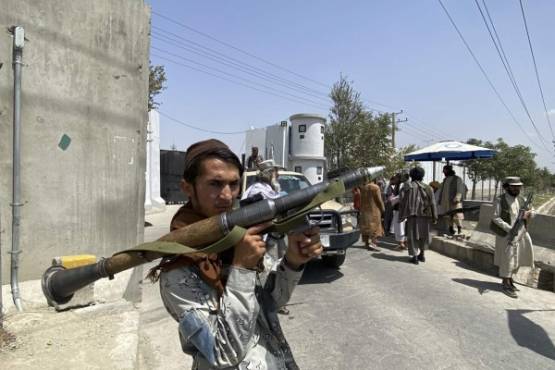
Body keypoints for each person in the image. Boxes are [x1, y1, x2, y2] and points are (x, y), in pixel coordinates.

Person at [153, 139, 322, 369]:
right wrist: (241, 268)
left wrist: (293, 261)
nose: (226, 195)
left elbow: (270, 302)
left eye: (233, 184)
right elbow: (223, 352)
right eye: (215, 184)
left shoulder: (236, 237)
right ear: (187, 188)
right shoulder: (178, 267)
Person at [490, 177, 535, 299]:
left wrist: (528, 214)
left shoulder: (522, 199)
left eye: (518, 186)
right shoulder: (500, 200)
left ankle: (510, 280)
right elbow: (495, 218)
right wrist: (510, 229)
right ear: (507, 187)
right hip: (506, 234)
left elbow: (532, 211)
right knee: (507, 259)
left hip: (521, 233)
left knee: (518, 257)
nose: (516, 189)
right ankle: (505, 283)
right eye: (514, 186)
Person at [399, 167, 438, 264]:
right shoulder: (428, 188)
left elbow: (402, 200)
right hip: (425, 215)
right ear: (422, 175)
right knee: (424, 235)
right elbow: (433, 203)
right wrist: (435, 216)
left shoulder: (407, 187)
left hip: (412, 216)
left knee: (412, 236)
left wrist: (402, 215)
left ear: (411, 175)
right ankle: (422, 254)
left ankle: (415, 256)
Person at [437, 165, 465, 235]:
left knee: (457, 215)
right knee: (448, 216)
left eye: (444, 170)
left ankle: (459, 229)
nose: (443, 172)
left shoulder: (457, 179)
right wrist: (440, 199)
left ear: (448, 170)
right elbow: (442, 190)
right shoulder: (445, 180)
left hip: (454, 201)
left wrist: (457, 198)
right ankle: (451, 229)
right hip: (446, 201)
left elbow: (460, 190)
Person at [359, 179, 385, 251]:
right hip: (374, 210)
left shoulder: (363, 188)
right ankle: (373, 243)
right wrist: (382, 209)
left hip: (365, 211)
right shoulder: (375, 187)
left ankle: (367, 243)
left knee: (366, 227)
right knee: (375, 227)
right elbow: (379, 200)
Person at [389, 173, 408, 251]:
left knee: (400, 226)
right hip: (401, 209)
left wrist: (392, 199)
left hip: (400, 209)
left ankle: (401, 244)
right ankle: (403, 243)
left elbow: (401, 196)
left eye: (396, 178)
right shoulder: (399, 185)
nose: (395, 179)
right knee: (401, 226)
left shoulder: (401, 185)